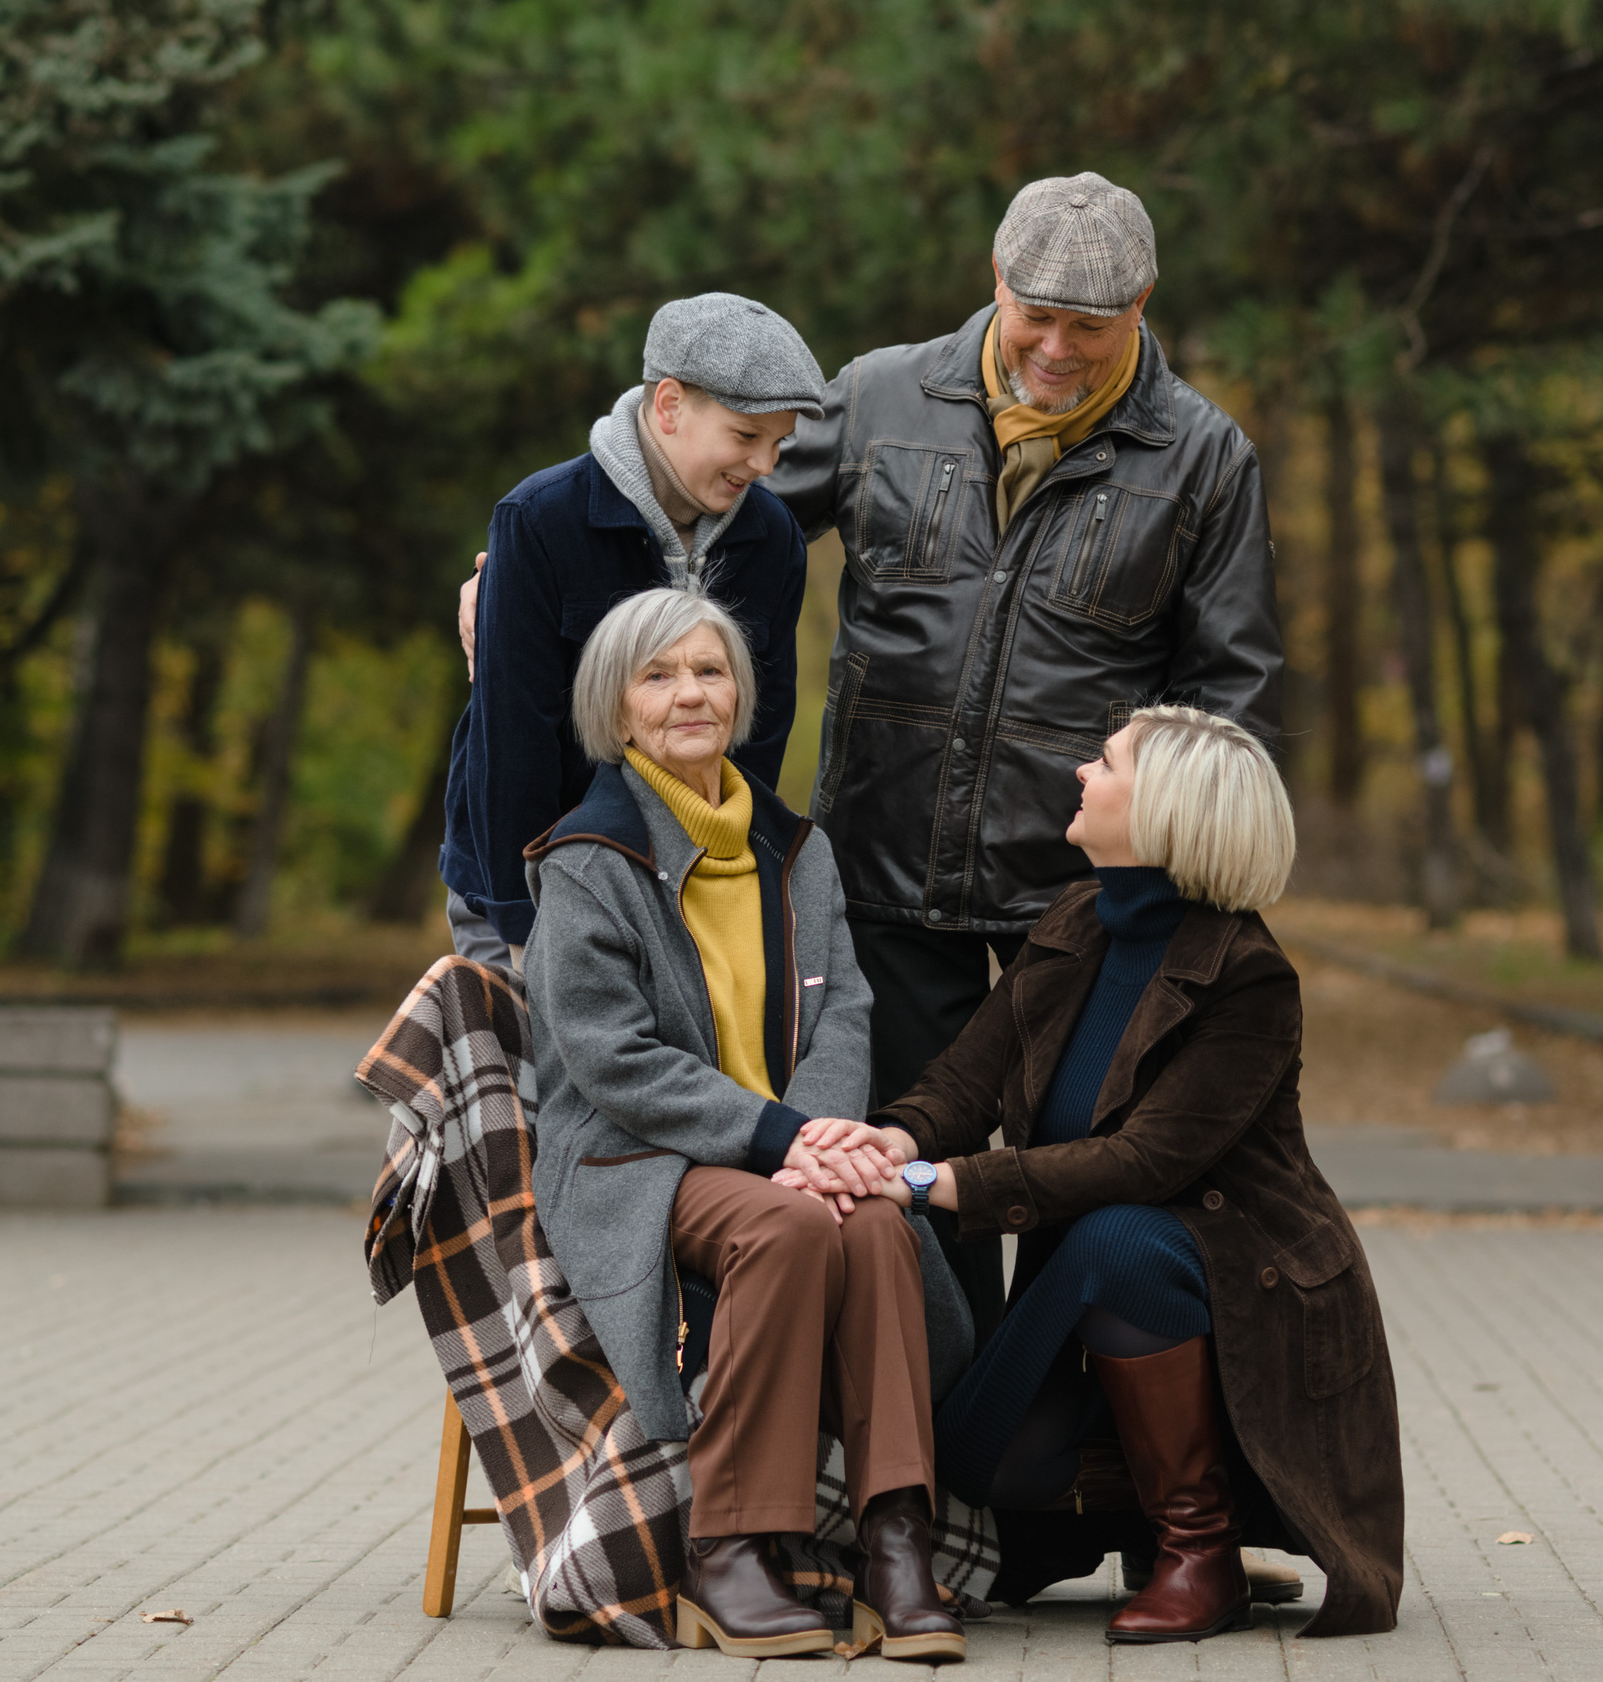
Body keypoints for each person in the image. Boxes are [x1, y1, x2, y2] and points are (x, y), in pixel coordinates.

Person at [763, 172, 1284, 1343]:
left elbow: (1232, 693)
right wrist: (532, 565)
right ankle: (943, 1488)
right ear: (993, 281)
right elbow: (715, 497)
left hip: (1091, 894)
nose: (1055, 346)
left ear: (1142, 304)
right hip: (886, 865)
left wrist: (1188, 904)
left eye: (1088, 326)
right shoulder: (877, 399)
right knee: (907, 1171)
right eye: (1033, 313)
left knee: (1075, 1180)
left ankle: (1060, 1475)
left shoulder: (1202, 458)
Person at [798, 705, 1405, 1644]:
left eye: (1108, 761)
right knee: (974, 1459)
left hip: (1248, 1286)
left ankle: (1199, 1550)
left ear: (1168, 808)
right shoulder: (1078, 918)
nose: (1082, 771)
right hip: (1089, 1283)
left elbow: (1145, 1158)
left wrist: (934, 1187)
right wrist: (888, 1142)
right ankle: (1138, 1501)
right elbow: (967, 1077)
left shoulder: (1246, 976)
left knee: (1119, 1236)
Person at [522, 587, 966, 1663]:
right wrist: (787, 1149)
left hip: (784, 1155)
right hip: (636, 1156)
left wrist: (813, 1144)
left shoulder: (794, 847)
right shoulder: (589, 859)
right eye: (659, 676)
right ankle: (730, 1548)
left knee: (867, 1222)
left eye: (709, 672)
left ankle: (896, 1540)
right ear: (617, 712)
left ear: (742, 695)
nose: (690, 695)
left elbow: (844, 1010)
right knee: (795, 1225)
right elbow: (611, 1058)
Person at [440, 294, 825, 976]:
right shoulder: (540, 520)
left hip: (684, 893)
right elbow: (512, 737)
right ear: (670, 405)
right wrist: (522, 925)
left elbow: (757, 738)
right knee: (535, 1078)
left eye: (779, 442)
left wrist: (731, 885)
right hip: (527, 882)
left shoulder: (774, 541)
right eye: (745, 437)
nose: (766, 465)